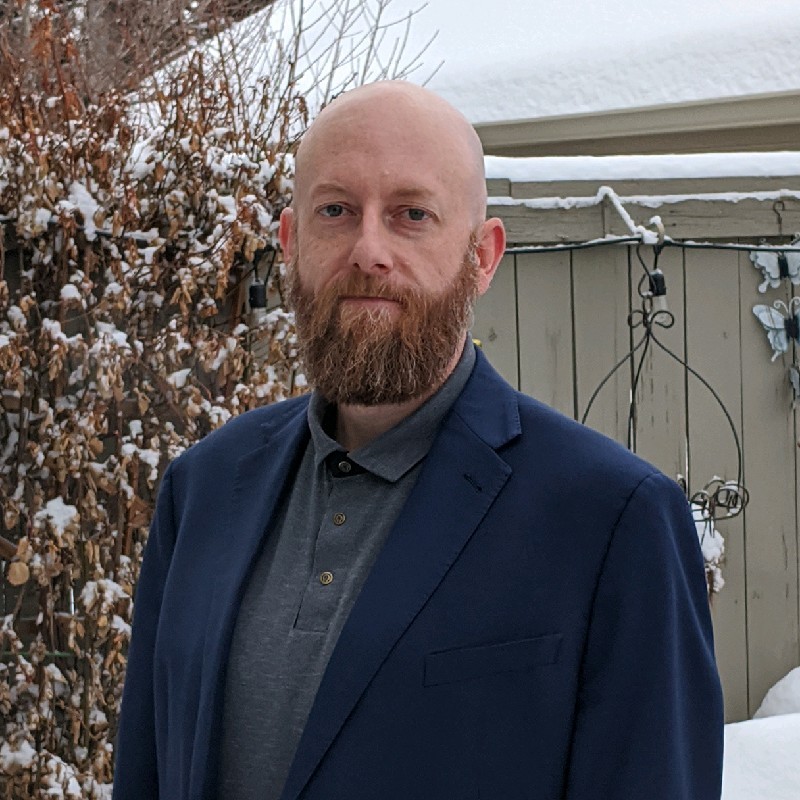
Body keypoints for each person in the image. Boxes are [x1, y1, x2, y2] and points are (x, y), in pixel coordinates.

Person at [113, 81, 723, 800]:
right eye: (336, 210)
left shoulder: (612, 519)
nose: (368, 250)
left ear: (482, 257)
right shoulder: (205, 488)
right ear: (291, 243)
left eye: (412, 214)